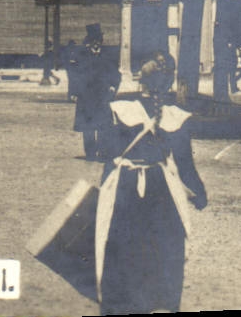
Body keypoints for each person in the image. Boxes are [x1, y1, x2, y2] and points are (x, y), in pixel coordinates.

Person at [94, 51, 207, 315]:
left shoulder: (118, 110)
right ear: (168, 83)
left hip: (124, 188)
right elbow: (185, 165)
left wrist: (105, 188)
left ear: (139, 79)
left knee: (121, 247)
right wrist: (200, 194)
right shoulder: (176, 118)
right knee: (164, 249)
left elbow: (107, 153)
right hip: (161, 189)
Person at [70, 24, 119, 160]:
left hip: (103, 96)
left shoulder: (108, 56)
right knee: (88, 126)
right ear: (89, 41)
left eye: (98, 40)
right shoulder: (82, 56)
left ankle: (103, 152)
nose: (96, 43)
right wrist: (74, 92)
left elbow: (116, 74)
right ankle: (90, 153)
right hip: (86, 96)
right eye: (93, 40)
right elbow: (75, 75)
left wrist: (113, 86)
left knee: (104, 125)